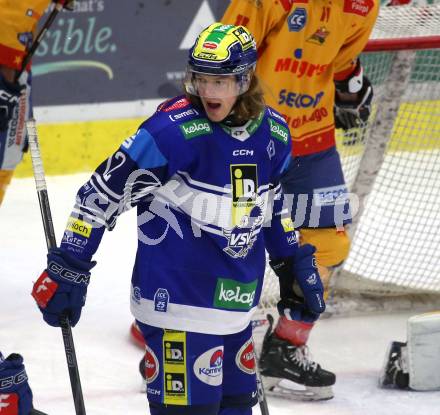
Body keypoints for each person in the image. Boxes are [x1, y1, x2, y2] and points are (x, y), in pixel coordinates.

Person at [31, 23, 326, 415]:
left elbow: (270, 205)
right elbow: (98, 196)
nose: (208, 92)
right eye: (200, 79)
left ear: (245, 79)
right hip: (176, 305)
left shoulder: (274, 133)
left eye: (219, 81)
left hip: (237, 310)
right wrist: (70, 264)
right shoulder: (170, 131)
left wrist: (290, 261)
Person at [222, 0, 379, 400]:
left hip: (314, 137)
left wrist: (349, 82)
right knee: (232, 241)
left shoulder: (363, 6)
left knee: (327, 244)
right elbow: (223, 54)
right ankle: (202, 336)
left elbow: (342, 56)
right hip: (254, 133)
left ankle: (285, 349)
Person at [0, 0, 74, 205]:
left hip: (16, 62)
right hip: (9, 65)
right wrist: (8, 79)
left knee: (9, 155)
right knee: (7, 153)